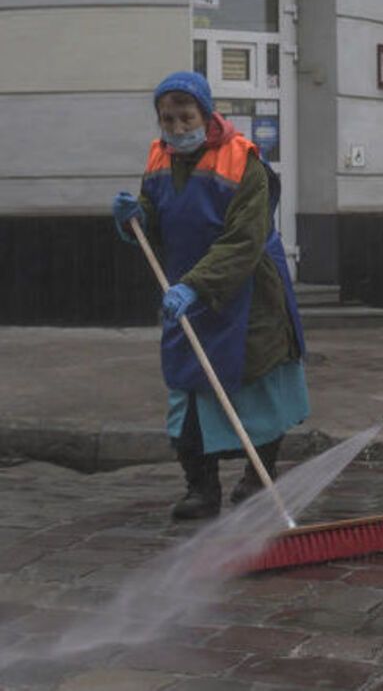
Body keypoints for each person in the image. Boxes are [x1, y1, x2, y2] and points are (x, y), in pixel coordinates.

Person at [110, 71, 308, 520]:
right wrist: (133, 217)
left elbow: (244, 240)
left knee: (257, 392)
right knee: (188, 393)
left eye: (185, 117)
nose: (177, 129)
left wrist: (196, 285)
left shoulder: (245, 161)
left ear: (205, 113)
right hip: (184, 292)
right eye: (167, 119)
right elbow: (154, 223)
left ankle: (259, 476)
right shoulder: (159, 159)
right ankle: (201, 488)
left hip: (248, 292)